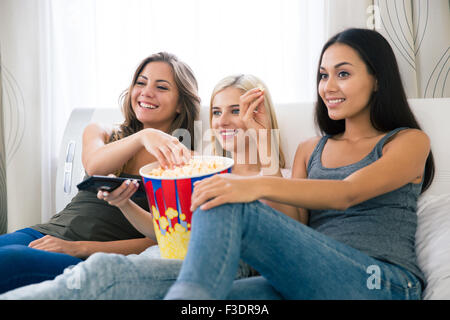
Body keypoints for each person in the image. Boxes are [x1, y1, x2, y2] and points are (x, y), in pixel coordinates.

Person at [163, 28, 435, 300]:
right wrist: (264, 144)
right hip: (313, 280)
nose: (328, 87)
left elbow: (347, 193)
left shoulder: (408, 141)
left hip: (382, 283)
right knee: (215, 295)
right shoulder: (310, 149)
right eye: (323, 75)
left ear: (377, 80)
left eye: (343, 74)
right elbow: (293, 227)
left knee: (224, 199)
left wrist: (251, 185)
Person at [0, 74, 298, 299]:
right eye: (217, 112)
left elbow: (293, 231)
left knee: (95, 272)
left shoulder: (278, 173)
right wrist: (124, 203)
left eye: (237, 110)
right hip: (162, 258)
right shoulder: (204, 170)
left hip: (210, 265)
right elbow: (165, 232)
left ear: (260, 114)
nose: (223, 121)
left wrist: (263, 142)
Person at [0, 52, 200, 294]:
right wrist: (143, 136)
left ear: (180, 103)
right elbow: (95, 165)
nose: (147, 92)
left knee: (8, 262)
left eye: (161, 87)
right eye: (141, 82)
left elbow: (162, 238)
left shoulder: (184, 161)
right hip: (43, 232)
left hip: (85, 255)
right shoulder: (102, 132)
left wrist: (79, 248)